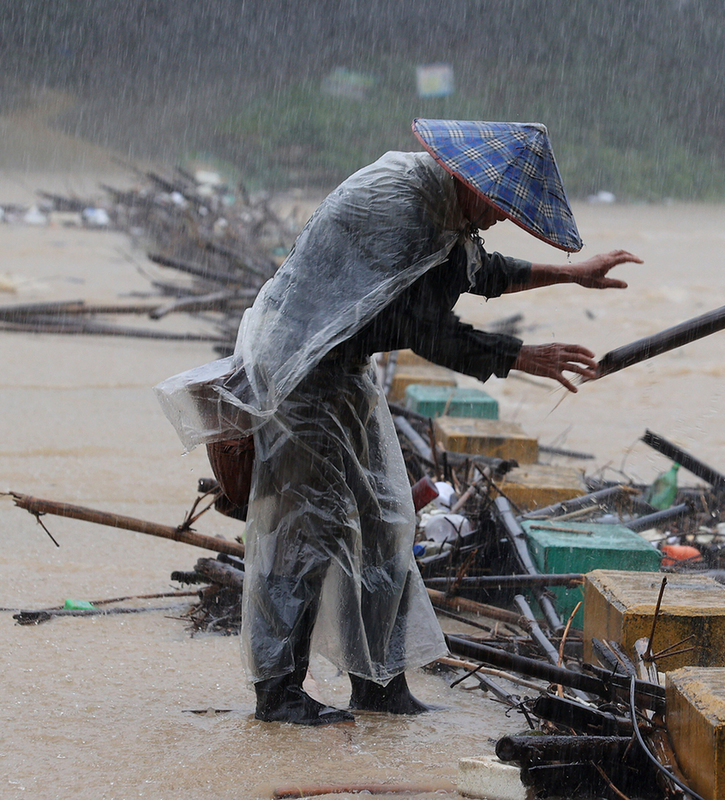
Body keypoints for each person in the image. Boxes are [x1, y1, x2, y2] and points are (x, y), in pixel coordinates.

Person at [155, 119, 641, 725]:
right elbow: (423, 329)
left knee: (386, 519)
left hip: (343, 364)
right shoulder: (401, 203)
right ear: (469, 180)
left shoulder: (446, 211)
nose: (495, 223)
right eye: (497, 210)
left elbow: (479, 272)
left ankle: (378, 681)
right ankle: (277, 692)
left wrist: (571, 273)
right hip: (300, 366)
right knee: (307, 530)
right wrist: (523, 358)